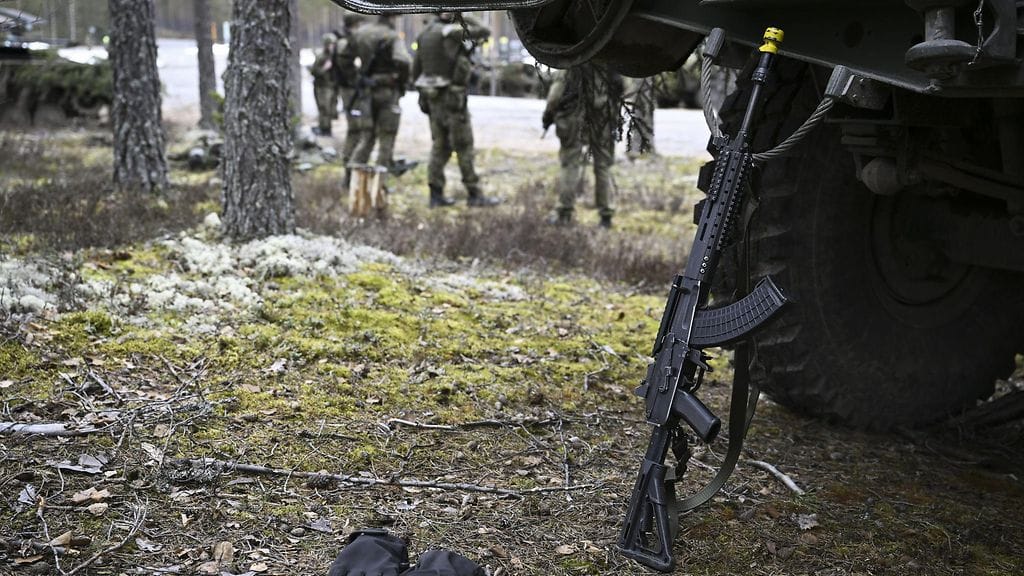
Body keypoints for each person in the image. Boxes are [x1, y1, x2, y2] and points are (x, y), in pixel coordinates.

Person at [413, 12, 499, 207]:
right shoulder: (452, 32)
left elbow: (416, 69)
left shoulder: (425, 33)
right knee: (464, 146)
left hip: (432, 97)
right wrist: (465, 14)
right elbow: (486, 31)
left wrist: (422, 95)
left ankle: (435, 195)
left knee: (439, 146)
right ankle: (474, 193)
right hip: (452, 99)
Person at [542, 63, 623, 228]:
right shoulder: (608, 59)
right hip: (603, 115)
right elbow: (620, 87)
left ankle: (564, 212)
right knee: (603, 166)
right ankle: (606, 216)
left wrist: (547, 116)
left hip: (573, 116)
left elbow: (554, 96)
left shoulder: (572, 58)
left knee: (570, 163)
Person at [347, 14, 411, 173]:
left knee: (366, 136)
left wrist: (357, 76)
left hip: (366, 91)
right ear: (392, 18)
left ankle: (352, 176)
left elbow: (344, 56)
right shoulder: (391, 36)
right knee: (386, 136)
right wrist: (402, 80)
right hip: (387, 90)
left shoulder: (361, 34)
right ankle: (380, 179)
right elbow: (404, 60)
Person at [311, 33, 339, 136]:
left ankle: (327, 128)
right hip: (322, 87)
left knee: (331, 109)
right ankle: (324, 129)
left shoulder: (335, 56)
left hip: (332, 86)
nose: (333, 46)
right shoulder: (321, 57)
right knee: (324, 108)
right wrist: (324, 68)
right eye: (331, 44)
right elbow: (314, 72)